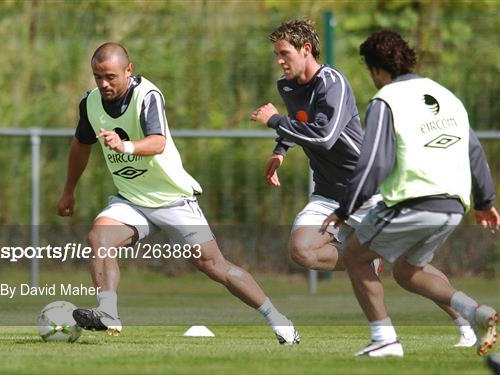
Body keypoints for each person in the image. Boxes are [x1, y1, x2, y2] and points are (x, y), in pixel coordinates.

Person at [251, 19, 476, 347]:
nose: (279, 60)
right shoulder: (286, 86)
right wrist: (281, 150)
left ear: (306, 50)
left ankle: (464, 321)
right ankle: (366, 258)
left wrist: (273, 120)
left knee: (409, 267)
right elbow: (300, 122)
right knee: (301, 250)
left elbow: (325, 136)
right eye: (276, 55)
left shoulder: (333, 83)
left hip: (366, 188)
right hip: (328, 191)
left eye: (284, 53)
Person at [56, 42, 300, 344]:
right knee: (99, 237)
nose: (103, 83)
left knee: (213, 265)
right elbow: (81, 145)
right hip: (132, 200)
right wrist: (68, 190)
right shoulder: (90, 103)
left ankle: (277, 319)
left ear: (128, 70)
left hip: (173, 199)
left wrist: (125, 146)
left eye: (110, 76)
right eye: (97, 77)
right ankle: (108, 312)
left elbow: (157, 142)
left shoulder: (147, 95)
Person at [322, 30, 499, 357]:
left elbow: (374, 163)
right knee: (407, 271)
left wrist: (345, 209)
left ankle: (384, 339)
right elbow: (474, 151)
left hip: (412, 200)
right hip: (452, 207)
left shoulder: (386, 99)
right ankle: (477, 313)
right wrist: (485, 203)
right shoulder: (447, 96)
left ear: (376, 69)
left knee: (355, 255)